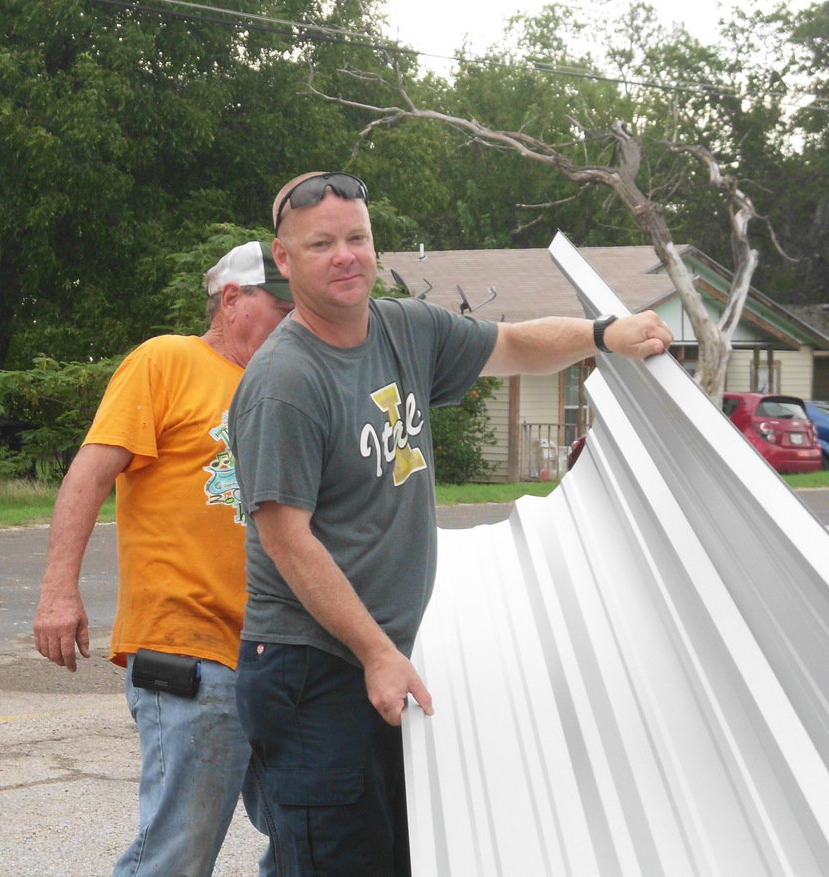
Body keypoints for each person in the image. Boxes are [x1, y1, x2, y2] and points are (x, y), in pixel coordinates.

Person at [228, 171, 674, 876]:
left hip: (379, 656)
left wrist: (602, 334)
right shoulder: (286, 380)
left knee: (399, 857)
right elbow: (287, 537)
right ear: (284, 261)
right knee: (333, 863)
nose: (346, 256)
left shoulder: (405, 328)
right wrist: (377, 652)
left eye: (357, 238)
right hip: (309, 669)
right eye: (321, 245)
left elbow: (517, 346)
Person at [33, 240, 293, 877]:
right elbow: (91, 473)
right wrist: (58, 590)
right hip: (191, 651)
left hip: (278, 653)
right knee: (179, 851)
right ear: (232, 300)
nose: (296, 320)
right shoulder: (168, 360)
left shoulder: (288, 383)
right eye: (283, 306)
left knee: (312, 838)